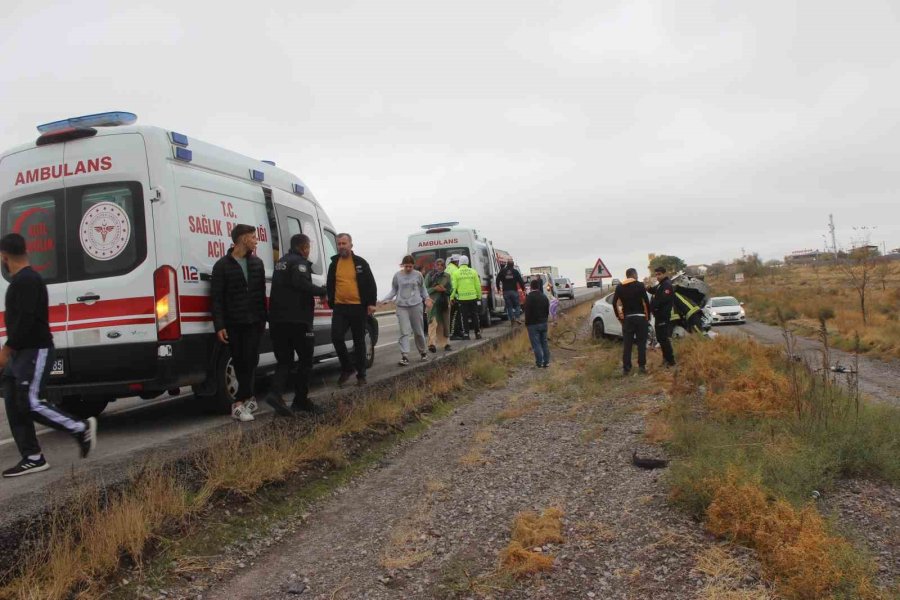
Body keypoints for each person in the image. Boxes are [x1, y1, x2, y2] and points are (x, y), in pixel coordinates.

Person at [0, 233, 96, 477]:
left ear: (4, 256)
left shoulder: (28, 281)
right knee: (13, 400)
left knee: (30, 402)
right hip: (20, 355)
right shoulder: (19, 281)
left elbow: (27, 321)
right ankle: (32, 456)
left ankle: (80, 427)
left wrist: (7, 349)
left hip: (35, 350)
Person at [265, 233, 327, 415]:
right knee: (306, 360)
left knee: (285, 361)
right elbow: (300, 283)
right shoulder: (298, 263)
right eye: (308, 247)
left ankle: (275, 394)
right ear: (304, 247)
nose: (309, 251)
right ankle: (301, 400)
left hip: (278, 321)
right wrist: (322, 290)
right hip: (297, 321)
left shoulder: (281, 262)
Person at [211, 224, 267, 422]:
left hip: (255, 322)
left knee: (251, 361)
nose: (255, 240)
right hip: (234, 323)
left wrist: (263, 319)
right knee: (240, 361)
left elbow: (261, 294)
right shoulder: (222, 266)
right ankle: (237, 405)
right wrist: (219, 325)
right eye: (253, 237)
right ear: (243, 239)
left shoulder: (257, 263)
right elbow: (216, 298)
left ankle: (248, 399)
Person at [326, 233, 377, 387]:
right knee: (336, 337)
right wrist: (331, 300)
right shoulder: (334, 264)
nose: (341, 246)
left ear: (351, 245)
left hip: (358, 308)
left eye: (344, 243)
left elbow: (370, 284)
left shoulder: (361, 263)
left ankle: (361, 374)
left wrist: (371, 303)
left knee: (359, 341)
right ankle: (347, 368)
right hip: (340, 307)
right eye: (339, 244)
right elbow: (330, 284)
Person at [380, 256, 432, 366]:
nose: (408, 268)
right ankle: (404, 355)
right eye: (406, 266)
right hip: (402, 306)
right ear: (402, 265)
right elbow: (394, 289)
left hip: (416, 305)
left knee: (418, 331)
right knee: (404, 331)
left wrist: (427, 298)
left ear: (413, 266)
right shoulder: (397, 276)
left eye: (410, 266)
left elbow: (423, 289)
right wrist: (386, 299)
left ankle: (423, 352)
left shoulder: (418, 275)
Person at [612, 268, 651, 375]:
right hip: (640, 317)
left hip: (628, 319)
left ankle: (626, 368)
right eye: (637, 274)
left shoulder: (620, 287)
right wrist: (648, 317)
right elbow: (646, 302)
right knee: (641, 343)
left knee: (627, 344)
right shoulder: (640, 285)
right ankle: (642, 367)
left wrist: (619, 317)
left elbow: (614, 302)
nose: (637, 276)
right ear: (633, 274)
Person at [648, 266, 676, 367]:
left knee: (664, 339)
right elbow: (653, 290)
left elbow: (662, 300)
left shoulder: (667, 285)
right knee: (660, 339)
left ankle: (671, 361)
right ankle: (665, 359)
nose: (657, 277)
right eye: (656, 275)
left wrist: (652, 306)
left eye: (659, 274)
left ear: (664, 274)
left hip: (663, 316)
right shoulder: (660, 285)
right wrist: (648, 288)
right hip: (659, 316)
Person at [425, 258, 453, 353]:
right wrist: (435, 289)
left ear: (444, 266)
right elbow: (424, 290)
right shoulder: (430, 275)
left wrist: (444, 290)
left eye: (442, 265)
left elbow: (450, 290)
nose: (440, 267)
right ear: (435, 265)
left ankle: (446, 344)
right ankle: (431, 344)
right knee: (432, 322)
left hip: (444, 302)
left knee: (445, 323)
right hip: (432, 302)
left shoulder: (447, 276)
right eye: (438, 265)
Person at [451, 256, 482, 340]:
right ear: (467, 262)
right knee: (474, 315)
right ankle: (477, 333)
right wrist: (479, 296)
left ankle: (466, 334)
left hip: (462, 299)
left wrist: (451, 297)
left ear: (460, 262)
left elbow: (454, 287)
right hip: (473, 297)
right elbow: (478, 285)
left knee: (464, 317)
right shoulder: (473, 272)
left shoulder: (456, 273)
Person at [524, 278, 550, 368]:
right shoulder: (544, 297)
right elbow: (547, 310)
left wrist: (526, 323)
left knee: (536, 344)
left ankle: (540, 362)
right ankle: (546, 361)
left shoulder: (529, 298)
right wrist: (545, 320)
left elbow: (526, 312)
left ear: (531, 287)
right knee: (544, 343)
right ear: (539, 286)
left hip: (533, 324)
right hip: (543, 323)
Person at [496, 259, 526, 327]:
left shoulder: (502, 271)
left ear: (507, 264)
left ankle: (512, 319)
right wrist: (523, 289)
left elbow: (497, 279)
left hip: (506, 291)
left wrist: (498, 288)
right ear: (513, 265)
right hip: (514, 291)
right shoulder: (515, 271)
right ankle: (517, 318)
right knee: (517, 305)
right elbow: (520, 281)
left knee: (509, 306)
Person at [446, 255, 466, 340]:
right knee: (454, 315)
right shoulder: (455, 270)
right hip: (453, 296)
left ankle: (457, 332)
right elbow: (454, 286)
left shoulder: (447, 268)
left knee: (452, 315)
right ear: (456, 262)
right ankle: (453, 334)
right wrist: (453, 297)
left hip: (447, 295)